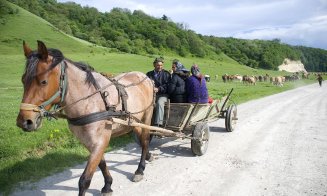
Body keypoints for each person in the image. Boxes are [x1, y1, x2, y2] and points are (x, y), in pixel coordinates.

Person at [146, 57, 171, 126]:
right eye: (158, 65)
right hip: (151, 95)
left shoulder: (166, 74)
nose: (160, 67)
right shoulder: (149, 74)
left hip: (163, 95)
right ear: (154, 65)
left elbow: (168, 85)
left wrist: (159, 89)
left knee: (160, 102)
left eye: (161, 65)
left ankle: (158, 124)